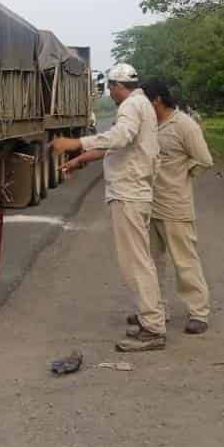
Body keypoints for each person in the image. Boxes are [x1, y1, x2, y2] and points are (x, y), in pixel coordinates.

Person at [52, 64, 165, 352]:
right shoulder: (142, 105)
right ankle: (148, 318)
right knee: (140, 260)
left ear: (116, 86)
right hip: (136, 191)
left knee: (135, 263)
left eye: (110, 89)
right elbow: (118, 144)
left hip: (129, 192)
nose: (110, 94)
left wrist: (76, 142)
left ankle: (152, 328)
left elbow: (120, 137)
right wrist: (80, 159)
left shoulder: (130, 106)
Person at [140, 79, 213, 335]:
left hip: (176, 207)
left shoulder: (184, 125)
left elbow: (204, 160)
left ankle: (199, 313)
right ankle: (156, 310)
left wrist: (182, 176)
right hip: (150, 204)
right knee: (151, 263)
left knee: (185, 262)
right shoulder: (149, 125)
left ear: (157, 100)